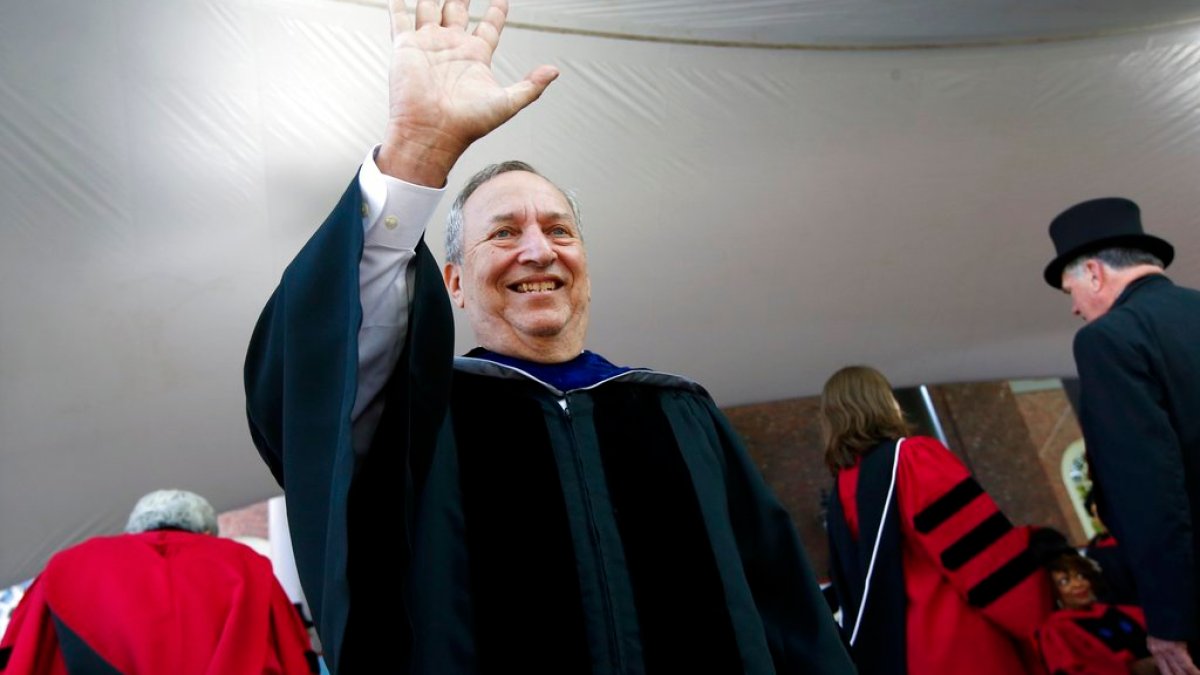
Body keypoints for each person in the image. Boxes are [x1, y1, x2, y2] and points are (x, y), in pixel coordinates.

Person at [243, 1, 853, 673]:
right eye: (504, 232)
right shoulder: (416, 421)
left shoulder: (681, 413)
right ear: (454, 282)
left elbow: (791, 617)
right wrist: (415, 154)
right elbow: (305, 395)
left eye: (559, 230)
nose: (538, 250)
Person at [1044, 197, 1200, 675]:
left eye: (1070, 290)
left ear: (1094, 272)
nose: (1074, 307)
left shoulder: (1109, 338)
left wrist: (1170, 618)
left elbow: (1148, 486)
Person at [820, 365, 1052, 674]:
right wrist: (1038, 606)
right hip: (960, 641)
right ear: (884, 402)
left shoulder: (841, 492)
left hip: (905, 656)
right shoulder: (913, 459)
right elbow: (979, 551)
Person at [0, 490, 316, 674]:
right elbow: (296, 658)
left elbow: (19, 657)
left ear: (134, 529)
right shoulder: (247, 564)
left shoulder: (65, 566)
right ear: (207, 532)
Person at [1035, 551, 1157, 675]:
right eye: (1064, 582)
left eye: (1081, 576)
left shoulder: (1118, 611)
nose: (1078, 584)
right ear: (1054, 592)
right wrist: (1131, 668)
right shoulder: (1056, 630)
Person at [1083, 489, 1140, 606]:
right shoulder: (1095, 551)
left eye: (1102, 512)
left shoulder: (1139, 538)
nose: (1100, 518)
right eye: (1094, 514)